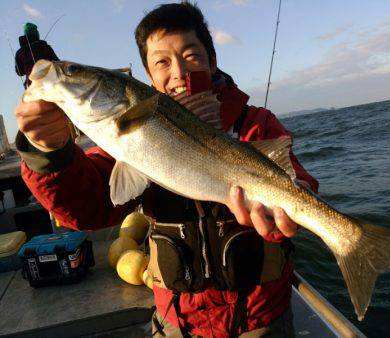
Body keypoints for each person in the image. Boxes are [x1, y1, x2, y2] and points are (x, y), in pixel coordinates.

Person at [14, 2, 319, 337]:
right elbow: (92, 205)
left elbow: (297, 181)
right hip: (178, 322)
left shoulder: (256, 125)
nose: (179, 72)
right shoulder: (126, 137)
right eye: (161, 61)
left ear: (212, 60)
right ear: (148, 75)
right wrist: (49, 152)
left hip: (260, 321)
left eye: (191, 55)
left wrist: (293, 207)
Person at [15, 22, 59, 88]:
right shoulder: (45, 47)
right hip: (50, 84)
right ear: (36, 33)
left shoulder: (19, 53)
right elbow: (57, 64)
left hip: (31, 87)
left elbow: (20, 72)